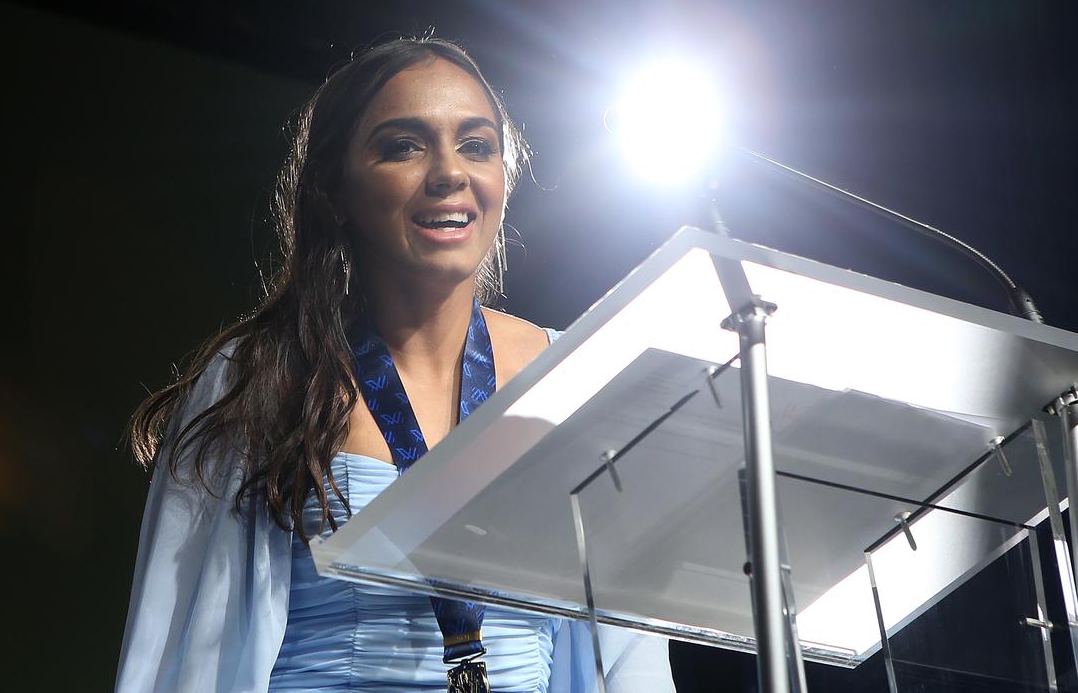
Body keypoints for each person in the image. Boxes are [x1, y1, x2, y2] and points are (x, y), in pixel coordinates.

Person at [115, 36, 676, 693]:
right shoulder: (263, 375)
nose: (449, 172)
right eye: (404, 146)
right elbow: (185, 663)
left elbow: (631, 660)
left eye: (477, 145)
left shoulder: (575, 372)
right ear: (335, 191)